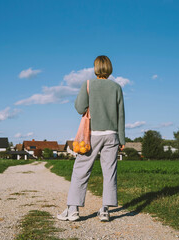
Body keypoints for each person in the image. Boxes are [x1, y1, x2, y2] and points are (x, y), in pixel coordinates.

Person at [57, 55, 125, 222]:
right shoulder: (117, 87)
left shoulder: (88, 84)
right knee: (109, 172)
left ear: (95, 68)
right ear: (109, 68)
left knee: (81, 170)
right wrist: (122, 140)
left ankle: (73, 210)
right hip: (112, 135)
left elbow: (79, 107)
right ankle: (105, 210)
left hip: (92, 134)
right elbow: (121, 116)